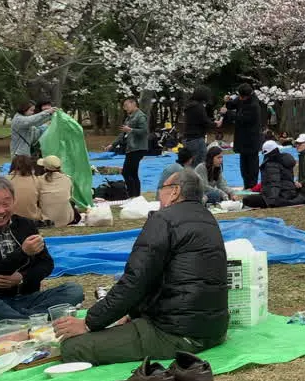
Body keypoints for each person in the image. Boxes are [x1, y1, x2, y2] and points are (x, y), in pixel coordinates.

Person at [55, 169, 228, 364]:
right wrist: (133, 313)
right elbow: (169, 279)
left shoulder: (164, 219)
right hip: (213, 329)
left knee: (72, 348)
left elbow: (135, 281)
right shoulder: (208, 218)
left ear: (175, 191)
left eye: (161, 188)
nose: (158, 194)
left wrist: (88, 323)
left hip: (178, 333)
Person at [0, 178, 83, 324]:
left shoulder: (26, 225)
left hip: (30, 299)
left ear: (14, 202)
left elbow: (46, 264)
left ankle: (19, 322)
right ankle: (35, 321)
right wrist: (23, 253)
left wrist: (22, 278)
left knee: (73, 290)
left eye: (6, 204)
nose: (1, 211)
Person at [223, 84, 265, 189]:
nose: (240, 99)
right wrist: (227, 102)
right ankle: (246, 184)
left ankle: (252, 185)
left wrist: (228, 113)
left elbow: (243, 119)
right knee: (243, 164)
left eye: (241, 97)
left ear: (247, 95)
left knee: (252, 164)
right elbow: (232, 105)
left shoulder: (254, 105)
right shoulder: (242, 99)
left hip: (251, 139)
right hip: (242, 137)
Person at [241, 141, 305, 208]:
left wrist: (271, 201)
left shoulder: (271, 164)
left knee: (247, 200)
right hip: (290, 193)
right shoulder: (284, 160)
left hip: (279, 195)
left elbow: (274, 183)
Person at [116, 97, 149, 197]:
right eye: (124, 106)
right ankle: (135, 195)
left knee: (126, 172)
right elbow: (122, 134)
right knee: (133, 173)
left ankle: (132, 195)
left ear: (134, 103)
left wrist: (130, 130)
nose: (125, 108)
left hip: (138, 148)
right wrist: (112, 145)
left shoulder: (140, 116)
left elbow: (144, 131)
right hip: (131, 148)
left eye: (126, 105)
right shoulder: (129, 118)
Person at [37, 155, 76, 226]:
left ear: (45, 167)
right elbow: (70, 196)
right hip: (65, 219)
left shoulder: (38, 180)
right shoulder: (67, 179)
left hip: (46, 219)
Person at [7, 155, 43, 221]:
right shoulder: (36, 180)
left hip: (11, 219)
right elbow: (41, 202)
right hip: (32, 218)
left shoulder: (5, 180)